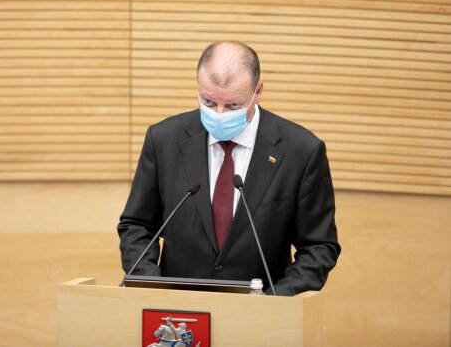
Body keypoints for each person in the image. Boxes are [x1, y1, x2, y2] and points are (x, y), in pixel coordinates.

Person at [118, 41, 340, 296]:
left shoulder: (301, 151)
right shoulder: (164, 140)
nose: (219, 114)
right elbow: (137, 224)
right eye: (208, 101)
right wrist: (152, 285)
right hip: (178, 313)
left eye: (233, 105)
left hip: (263, 318)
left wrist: (276, 301)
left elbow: (319, 246)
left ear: (258, 91)